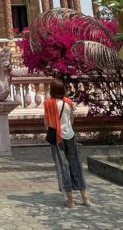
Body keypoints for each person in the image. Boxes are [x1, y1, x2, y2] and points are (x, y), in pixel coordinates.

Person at [44, 79, 89, 208]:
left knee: (63, 166)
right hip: (70, 135)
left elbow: (46, 124)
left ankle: (70, 201)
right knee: (75, 164)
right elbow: (71, 120)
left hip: (57, 138)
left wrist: (54, 131)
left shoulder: (48, 103)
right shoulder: (68, 103)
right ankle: (85, 198)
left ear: (52, 91)